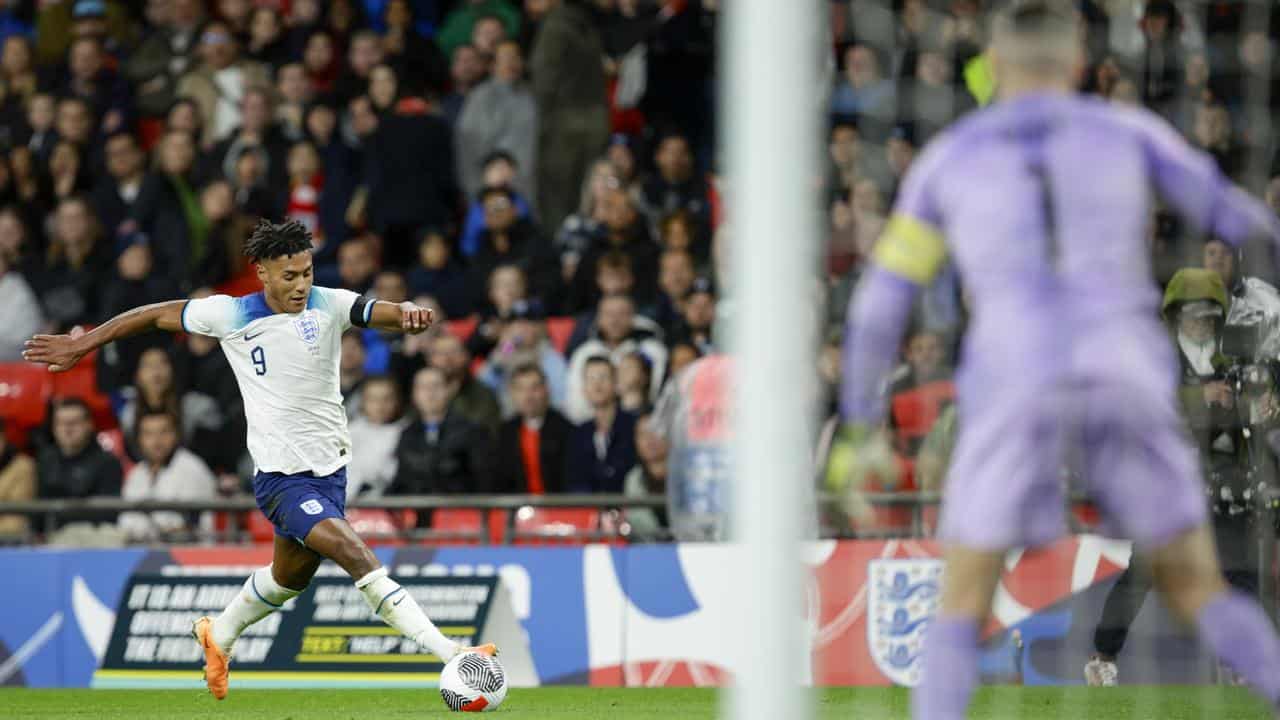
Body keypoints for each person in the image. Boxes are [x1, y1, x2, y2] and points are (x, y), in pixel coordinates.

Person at [833, 4, 1280, 719]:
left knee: (963, 601)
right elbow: (1241, 222)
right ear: (1076, 62)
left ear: (995, 64)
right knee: (1199, 586)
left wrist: (858, 428)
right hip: (1124, 367)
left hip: (1013, 374)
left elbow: (878, 307)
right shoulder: (1128, 132)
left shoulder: (951, 156)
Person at [22, 219, 495, 701]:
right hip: (282, 479)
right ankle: (451, 651)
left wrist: (409, 312)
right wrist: (84, 343)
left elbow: (376, 310)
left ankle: (218, 635)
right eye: (288, 275)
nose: (300, 284)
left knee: (290, 578)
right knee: (358, 556)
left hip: (330, 472)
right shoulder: (230, 314)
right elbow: (151, 315)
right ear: (262, 272)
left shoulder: (327, 303)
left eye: (306, 272)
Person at [118, 409, 218, 543]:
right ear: (139, 439)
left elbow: (188, 528)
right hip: (141, 551)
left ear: (176, 435)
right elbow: (125, 523)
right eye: (148, 434)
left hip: (186, 554)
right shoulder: (137, 473)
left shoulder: (192, 467)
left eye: (164, 432)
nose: (156, 441)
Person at [494, 364, 571, 494]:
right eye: (521, 389)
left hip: (558, 508)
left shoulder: (566, 429)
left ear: (546, 390)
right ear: (512, 393)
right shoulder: (504, 432)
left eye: (535, 388)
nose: (528, 396)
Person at [565, 356, 637, 493]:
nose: (597, 385)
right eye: (590, 379)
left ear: (616, 384)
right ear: (583, 388)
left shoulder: (633, 426)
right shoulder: (578, 434)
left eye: (603, 377)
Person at [345, 375, 408, 502]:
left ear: (397, 401)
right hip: (349, 506)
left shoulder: (406, 432)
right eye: (373, 399)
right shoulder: (349, 432)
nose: (380, 405)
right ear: (363, 401)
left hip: (390, 504)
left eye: (387, 399)